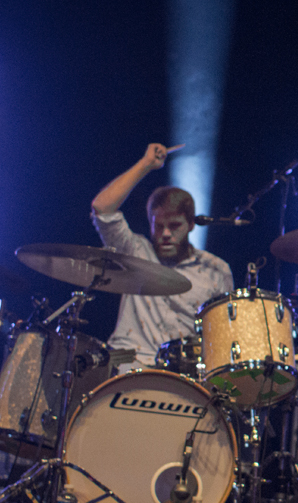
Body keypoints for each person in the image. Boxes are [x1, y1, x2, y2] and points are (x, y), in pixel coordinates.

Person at [91, 143, 234, 371]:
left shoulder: (215, 269)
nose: (166, 234)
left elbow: (223, 335)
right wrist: (145, 165)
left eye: (174, 226)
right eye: (159, 226)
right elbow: (102, 207)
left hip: (182, 372)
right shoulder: (135, 251)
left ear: (190, 225)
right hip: (129, 360)